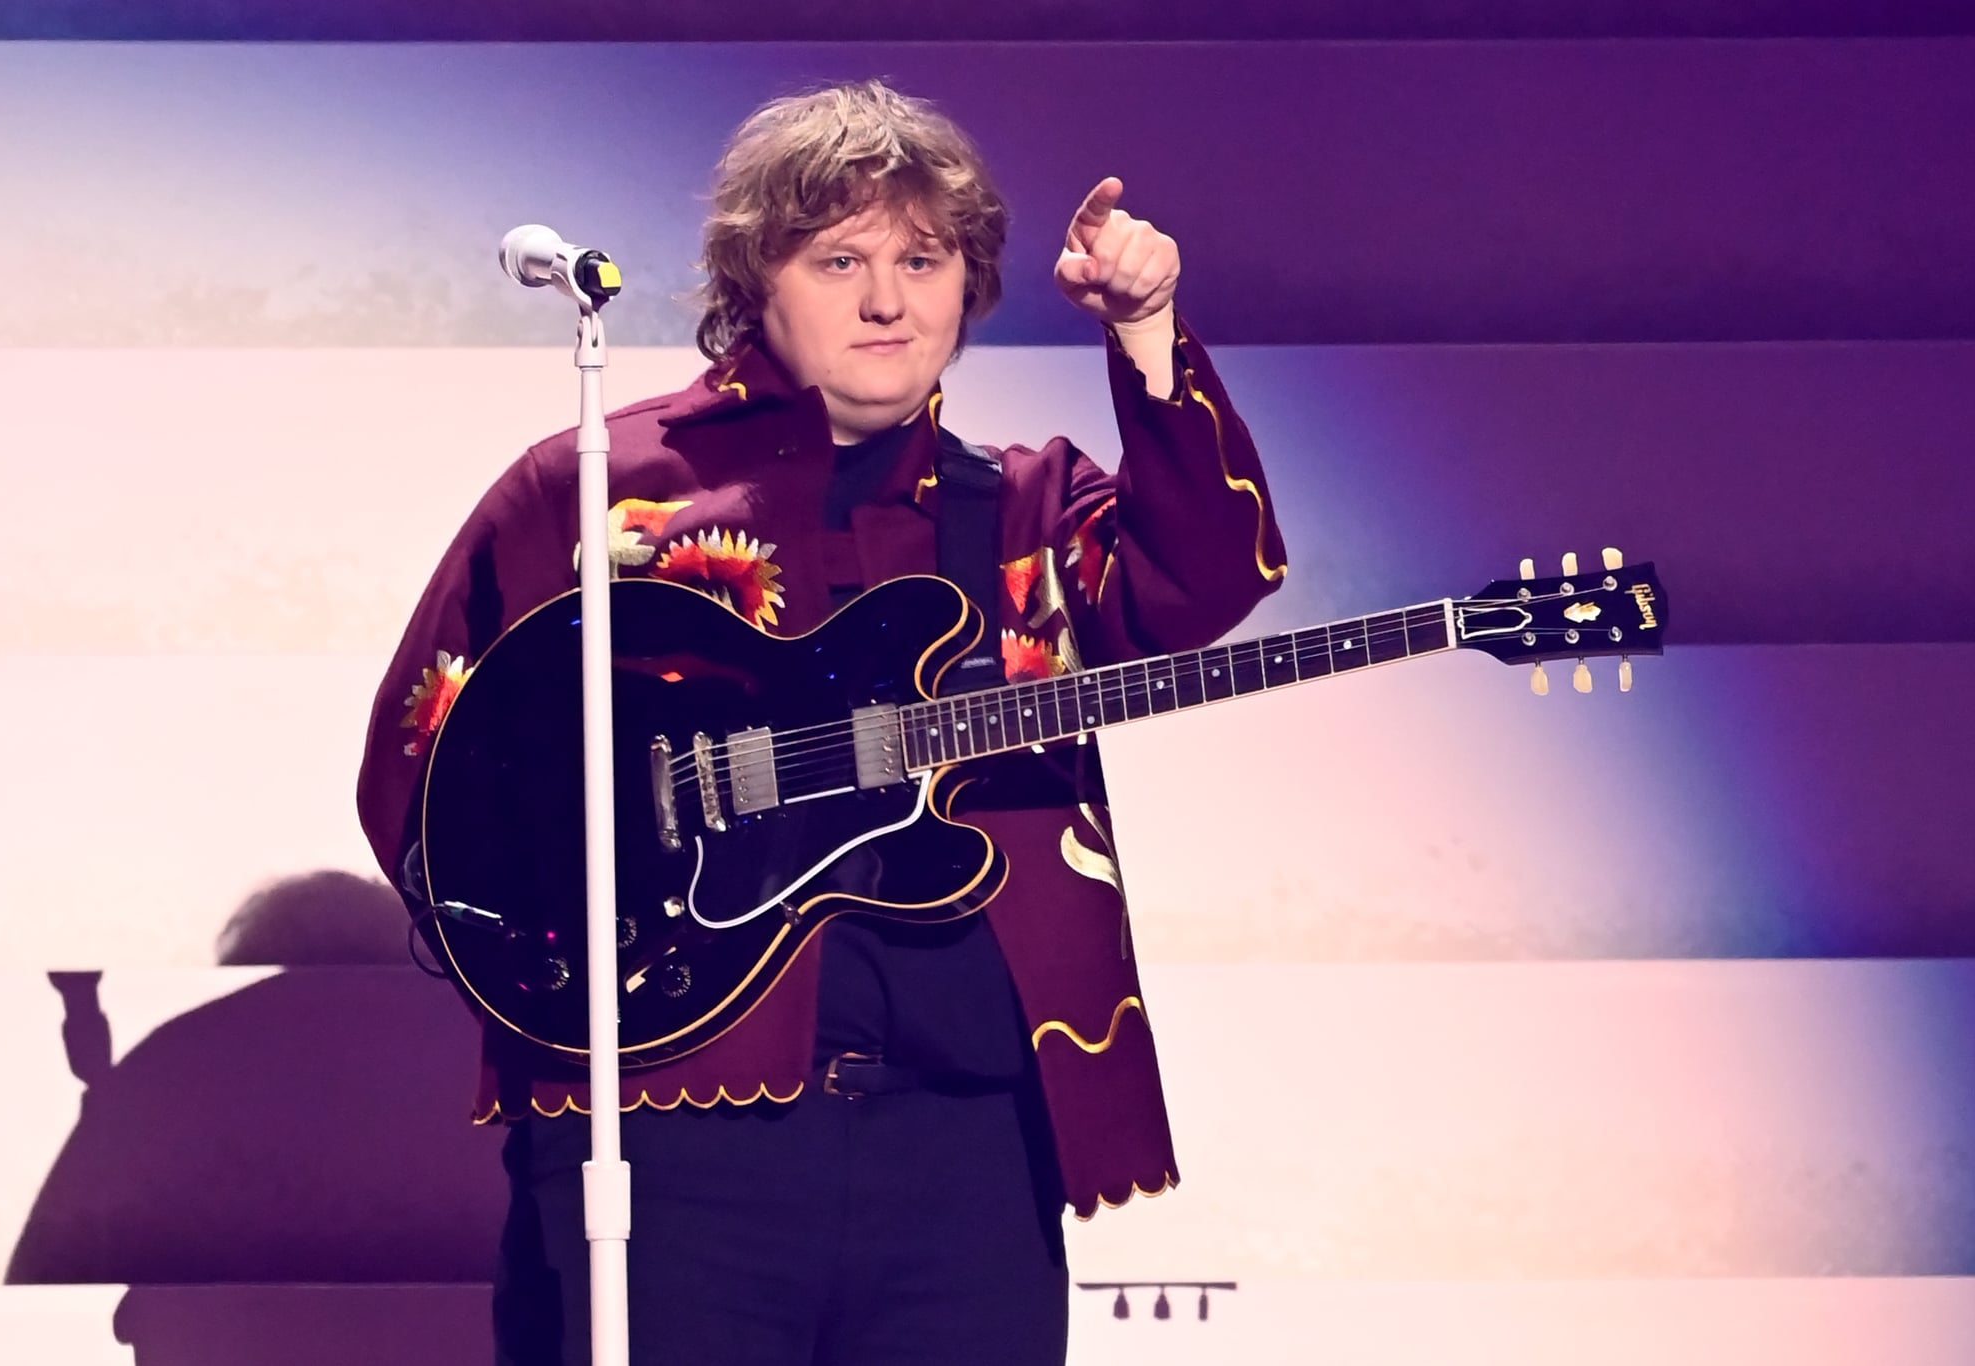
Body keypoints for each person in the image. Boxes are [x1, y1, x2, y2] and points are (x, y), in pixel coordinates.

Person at [355, 78, 1286, 1366]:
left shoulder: (1019, 511)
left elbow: (1203, 579)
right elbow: (425, 770)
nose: (888, 299)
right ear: (756, 277)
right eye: (839, 257)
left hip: (968, 1149)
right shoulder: (594, 489)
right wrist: (588, 938)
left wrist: (1148, 332)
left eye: (924, 258)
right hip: (672, 1132)